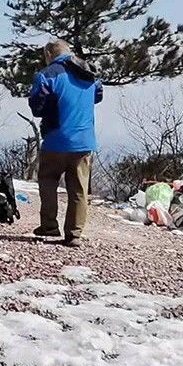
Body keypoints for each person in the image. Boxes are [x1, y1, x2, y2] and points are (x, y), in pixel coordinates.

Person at [28, 39, 104, 247]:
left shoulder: (47, 74)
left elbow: (37, 106)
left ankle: (49, 225)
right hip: (84, 141)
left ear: (48, 54)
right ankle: (74, 234)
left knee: (48, 182)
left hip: (56, 139)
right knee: (79, 190)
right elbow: (98, 96)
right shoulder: (89, 74)